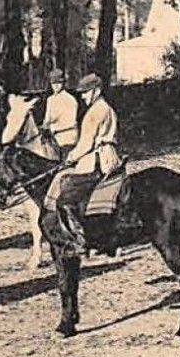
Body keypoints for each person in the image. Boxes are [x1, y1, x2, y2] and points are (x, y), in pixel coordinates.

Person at [46, 73, 122, 255]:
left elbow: (86, 143)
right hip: (109, 156)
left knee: (65, 198)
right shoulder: (107, 108)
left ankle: (79, 241)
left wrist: (70, 159)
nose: (82, 96)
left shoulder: (95, 112)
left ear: (96, 90)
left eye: (86, 92)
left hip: (98, 160)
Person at [42, 68, 80, 152]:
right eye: (53, 83)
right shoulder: (50, 99)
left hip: (67, 137)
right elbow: (47, 119)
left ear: (63, 83)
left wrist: (49, 124)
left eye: (58, 83)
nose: (56, 86)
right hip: (54, 138)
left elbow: (71, 121)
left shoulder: (70, 99)